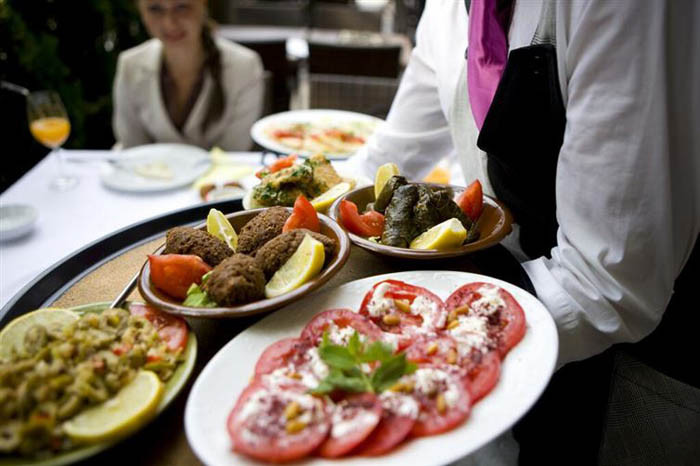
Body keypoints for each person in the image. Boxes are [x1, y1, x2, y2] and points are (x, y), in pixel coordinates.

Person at [350, 0, 700, 463]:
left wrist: (412, 349)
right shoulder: (450, 8)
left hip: (633, 361)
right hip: (512, 305)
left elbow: (610, 280)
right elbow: (387, 160)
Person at [112, 0, 264, 150]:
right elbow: (132, 147)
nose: (169, 23)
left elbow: (233, 152)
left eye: (182, 7)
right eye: (155, 9)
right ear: (141, 11)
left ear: (203, 5)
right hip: (145, 172)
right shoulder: (130, 64)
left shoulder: (244, 66)